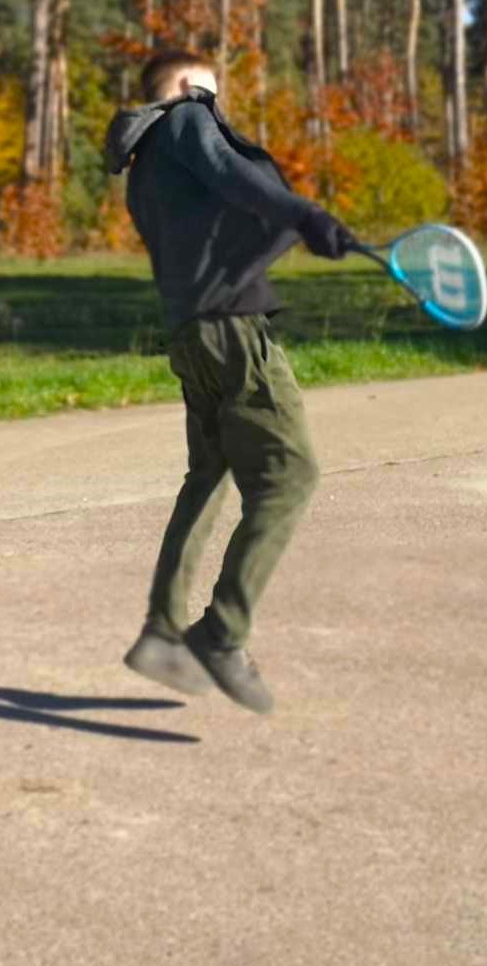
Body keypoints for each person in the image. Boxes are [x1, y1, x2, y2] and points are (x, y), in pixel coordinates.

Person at [103, 49, 357, 713]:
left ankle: (162, 631)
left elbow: (220, 218)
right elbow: (228, 172)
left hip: (191, 335)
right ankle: (221, 632)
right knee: (290, 473)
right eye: (214, 95)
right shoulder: (187, 118)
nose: (219, 110)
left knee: (209, 476)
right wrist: (305, 215)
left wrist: (301, 227)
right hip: (233, 333)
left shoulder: (144, 166)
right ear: (189, 86)